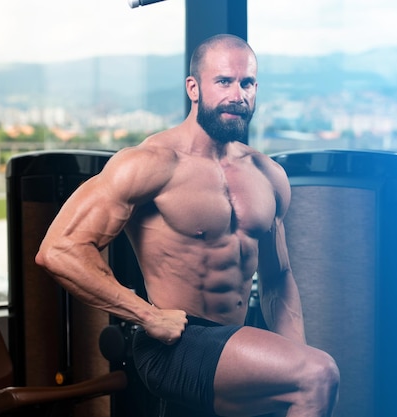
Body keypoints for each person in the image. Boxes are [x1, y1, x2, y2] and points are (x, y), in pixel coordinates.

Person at [35, 34, 339, 417]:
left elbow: (278, 278)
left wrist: (295, 356)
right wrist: (146, 314)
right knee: (320, 375)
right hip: (173, 342)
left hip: (233, 346)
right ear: (193, 88)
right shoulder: (150, 163)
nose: (237, 94)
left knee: (308, 377)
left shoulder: (267, 174)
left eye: (247, 83)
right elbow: (58, 249)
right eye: (224, 81)